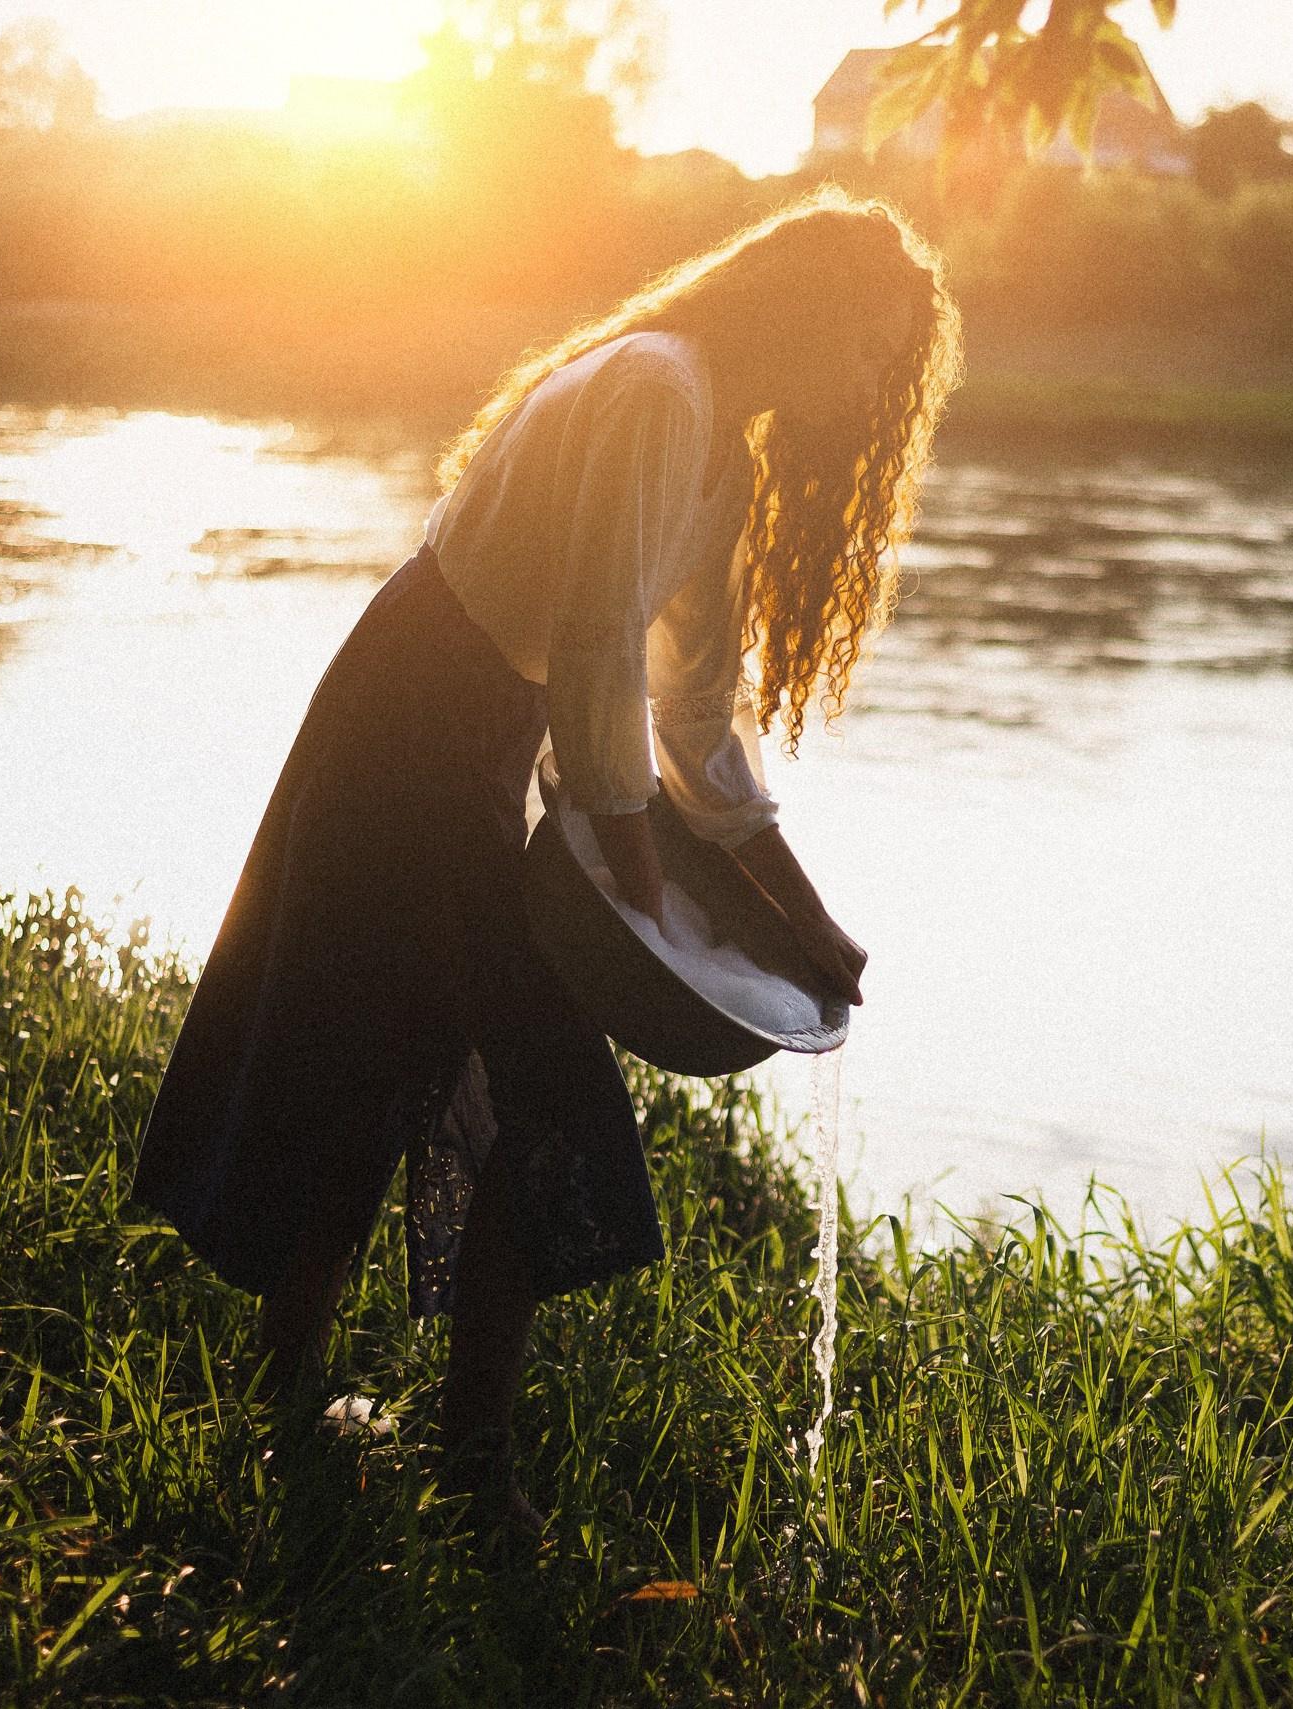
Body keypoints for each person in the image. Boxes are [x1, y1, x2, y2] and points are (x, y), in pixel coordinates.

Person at [131, 190, 962, 1532]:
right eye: (870, 348)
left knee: (425, 1058)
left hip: (483, 731)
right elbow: (593, 645)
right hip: (412, 714)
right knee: (484, 1078)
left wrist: (804, 918)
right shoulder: (660, 388)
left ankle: (368, 1424)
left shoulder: (721, 453)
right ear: (810, 311)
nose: (873, 387)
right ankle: (444, 1461)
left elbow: (696, 715)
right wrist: (631, 882)